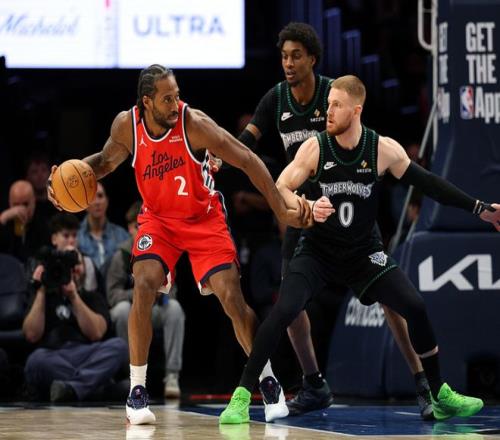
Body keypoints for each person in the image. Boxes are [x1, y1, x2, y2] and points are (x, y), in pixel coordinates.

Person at [220, 75, 499, 424]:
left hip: (363, 253)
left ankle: (438, 392)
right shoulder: (316, 147)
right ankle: (241, 396)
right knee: (284, 310)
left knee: (414, 306)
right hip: (318, 251)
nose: (327, 112)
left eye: (336, 105)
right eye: (327, 104)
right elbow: (281, 186)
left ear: (356, 110)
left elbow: (430, 184)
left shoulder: (381, 148)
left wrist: (479, 208)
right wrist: (307, 205)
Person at [48, 64, 311, 425]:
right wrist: (66, 177)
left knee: (231, 298)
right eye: (167, 98)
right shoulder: (127, 126)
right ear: (146, 102)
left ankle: (266, 379)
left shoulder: (194, 123)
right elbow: (104, 162)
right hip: (159, 220)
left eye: (176, 95)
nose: (175, 104)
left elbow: (248, 159)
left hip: (203, 217)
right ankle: (137, 393)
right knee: (143, 284)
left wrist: (280, 207)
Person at [237, 22, 432, 418]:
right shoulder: (276, 99)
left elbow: (364, 142)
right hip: (305, 215)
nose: (288, 63)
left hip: (352, 213)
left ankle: (422, 382)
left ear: (312, 59)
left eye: (296, 56)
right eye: (284, 56)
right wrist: (221, 157)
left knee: (390, 300)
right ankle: (313, 382)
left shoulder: (336, 95)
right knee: (289, 303)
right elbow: (248, 142)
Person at [23, 213, 128, 402]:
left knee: (119, 346)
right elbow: (31, 335)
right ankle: (96, 387)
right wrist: (41, 291)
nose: (69, 271)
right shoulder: (43, 293)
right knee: (35, 361)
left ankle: (72, 388)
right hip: (53, 354)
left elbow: (96, 333)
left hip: (86, 353)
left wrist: (74, 296)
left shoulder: (91, 296)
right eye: (66, 235)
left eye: (74, 265)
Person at [106, 200, 185, 398]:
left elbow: (173, 291)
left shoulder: (162, 249)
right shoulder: (121, 255)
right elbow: (112, 295)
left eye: (144, 225)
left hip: (155, 309)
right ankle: (131, 376)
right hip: (130, 309)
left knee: (174, 308)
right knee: (122, 310)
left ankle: (172, 375)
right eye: (137, 226)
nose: (141, 231)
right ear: (129, 228)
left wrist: (159, 292)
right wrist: (139, 293)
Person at [77, 182, 129, 278]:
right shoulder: (76, 236)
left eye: (100, 196)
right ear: (84, 204)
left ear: (107, 201)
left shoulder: (122, 235)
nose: (97, 202)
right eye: (92, 197)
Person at [0, 180, 51, 263]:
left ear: (34, 201)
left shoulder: (43, 224)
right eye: (16, 205)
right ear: (9, 202)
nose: (20, 210)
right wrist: (3, 218)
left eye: (25, 204)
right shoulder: (5, 223)